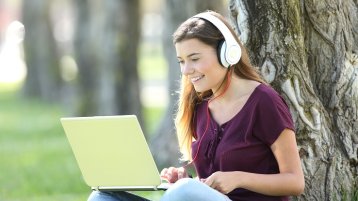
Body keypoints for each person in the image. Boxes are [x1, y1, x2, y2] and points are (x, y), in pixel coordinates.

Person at [88, 10, 305, 201]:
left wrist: (238, 179)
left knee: (183, 192)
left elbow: (295, 182)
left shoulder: (264, 102)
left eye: (194, 58)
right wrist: (186, 181)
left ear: (227, 53)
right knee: (102, 197)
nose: (186, 70)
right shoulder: (201, 106)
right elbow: (207, 184)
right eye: (181, 61)